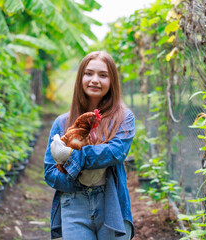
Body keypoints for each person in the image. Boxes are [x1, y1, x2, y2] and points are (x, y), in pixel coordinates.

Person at [43, 51, 136, 240]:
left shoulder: (123, 118)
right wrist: (78, 181)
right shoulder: (62, 123)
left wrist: (71, 157)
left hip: (110, 202)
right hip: (73, 202)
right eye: (89, 73)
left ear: (112, 81)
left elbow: (115, 153)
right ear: (80, 78)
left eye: (103, 75)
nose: (95, 80)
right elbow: (50, 173)